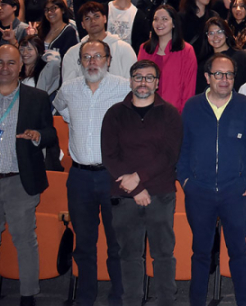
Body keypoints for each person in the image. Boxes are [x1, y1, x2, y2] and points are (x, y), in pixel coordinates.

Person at [178, 53, 246, 306]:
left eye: (229, 75)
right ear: (207, 77)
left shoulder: (244, 104)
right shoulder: (192, 107)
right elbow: (182, 148)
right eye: (218, 74)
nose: (224, 79)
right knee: (201, 253)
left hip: (235, 192)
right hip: (199, 192)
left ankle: (245, 302)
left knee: (238, 252)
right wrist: (185, 180)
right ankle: (196, 302)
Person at [53, 40, 130, 306]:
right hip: (79, 178)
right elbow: (62, 110)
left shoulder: (124, 87)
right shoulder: (69, 89)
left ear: (108, 59)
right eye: (86, 57)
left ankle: (118, 298)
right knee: (84, 244)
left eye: (98, 56)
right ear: (80, 62)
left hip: (113, 176)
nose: (92, 62)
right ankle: (85, 298)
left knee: (116, 243)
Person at [101, 59, 181, 306]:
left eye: (149, 78)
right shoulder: (115, 113)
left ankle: (167, 301)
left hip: (161, 195)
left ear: (157, 83)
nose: (143, 82)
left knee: (163, 255)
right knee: (129, 256)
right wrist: (136, 189)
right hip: (124, 197)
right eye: (138, 77)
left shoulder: (170, 113)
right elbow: (109, 156)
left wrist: (139, 178)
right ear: (131, 80)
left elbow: (170, 155)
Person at [0, 44, 56, 306]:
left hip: (20, 181)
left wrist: (38, 137)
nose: (5, 68)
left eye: (11, 63)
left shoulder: (37, 97)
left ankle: (28, 296)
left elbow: (51, 134)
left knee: (25, 241)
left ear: (21, 67)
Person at [137, 5, 197, 112]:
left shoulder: (186, 50)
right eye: (156, 19)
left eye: (164, 19)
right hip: (147, 110)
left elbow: (189, 88)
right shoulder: (144, 49)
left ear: (173, 23)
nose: (159, 23)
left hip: (175, 112)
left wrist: (182, 113)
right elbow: (140, 82)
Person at [62, 2, 137, 81]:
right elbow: (68, 87)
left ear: (105, 19)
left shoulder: (124, 49)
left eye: (96, 16)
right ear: (82, 24)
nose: (93, 21)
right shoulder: (72, 53)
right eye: (87, 18)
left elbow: (132, 82)